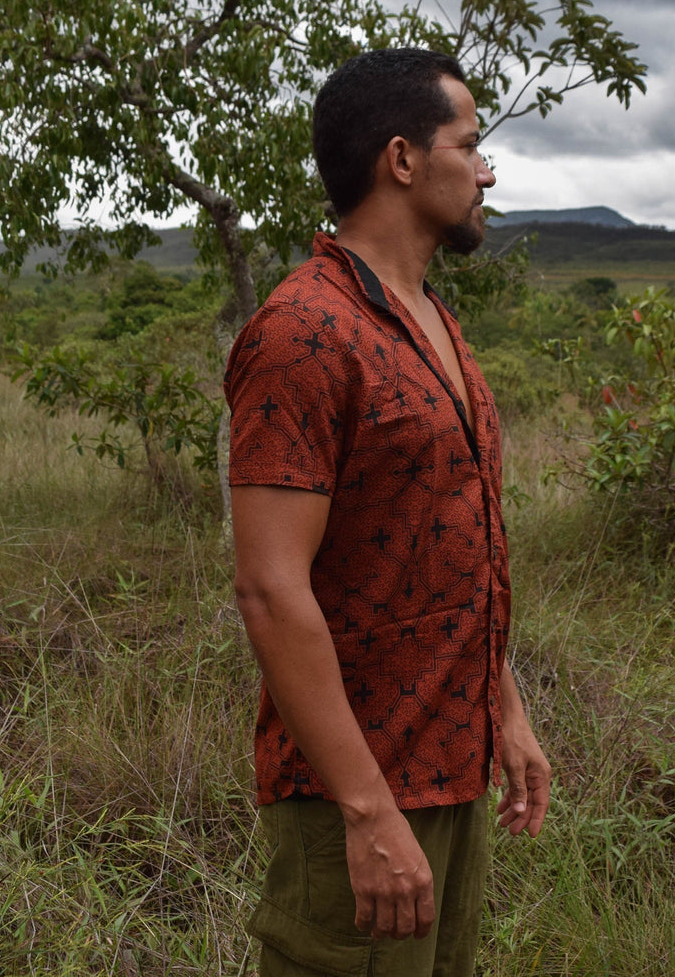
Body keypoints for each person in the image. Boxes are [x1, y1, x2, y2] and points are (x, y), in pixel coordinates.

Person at [224, 47, 551, 977]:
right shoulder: (303, 332)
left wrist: (506, 711)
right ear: (402, 160)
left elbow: (447, 547)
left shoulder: (432, 320)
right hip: (356, 795)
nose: (486, 170)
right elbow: (269, 588)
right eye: (471, 144)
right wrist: (367, 812)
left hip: (453, 764)